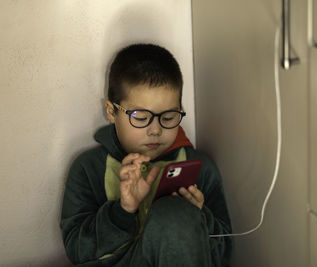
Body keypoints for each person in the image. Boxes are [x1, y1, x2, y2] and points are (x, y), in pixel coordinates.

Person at [60, 43, 232, 267]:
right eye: (141, 117)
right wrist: (122, 212)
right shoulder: (88, 169)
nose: (155, 130)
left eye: (169, 117)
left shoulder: (200, 168)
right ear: (112, 112)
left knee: (176, 214)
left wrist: (200, 219)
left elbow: (225, 252)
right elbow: (76, 250)